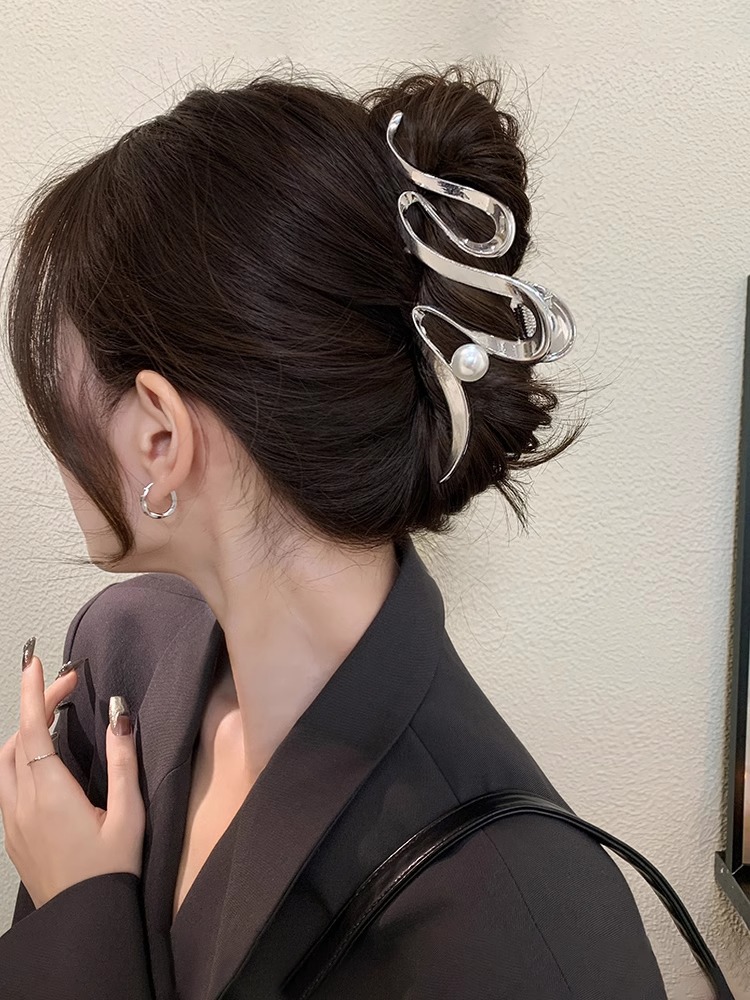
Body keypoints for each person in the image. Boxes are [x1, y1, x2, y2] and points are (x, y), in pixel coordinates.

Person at [0, 59, 668, 999]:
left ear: (160, 436)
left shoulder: (519, 928)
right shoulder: (122, 659)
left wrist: (79, 915)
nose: (51, 436)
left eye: (59, 389)